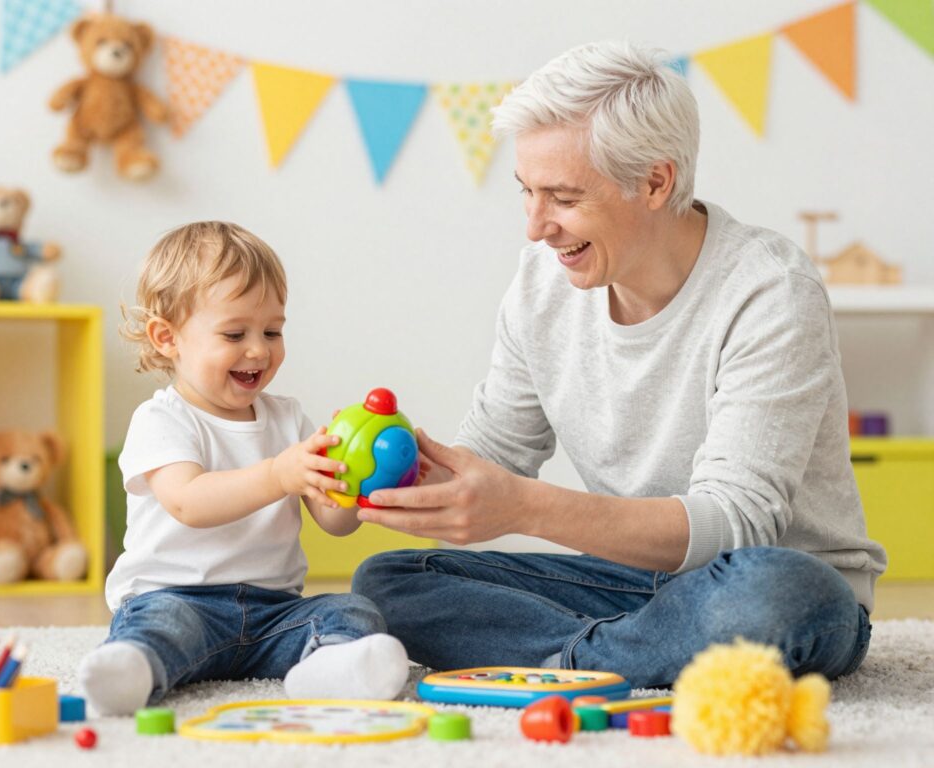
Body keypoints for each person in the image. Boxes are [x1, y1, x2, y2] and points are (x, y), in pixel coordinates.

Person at [351, 41, 887, 688]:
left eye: (563, 197)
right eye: (527, 192)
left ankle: (565, 660)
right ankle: (615, 658)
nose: (535, 227)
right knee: (386, 582)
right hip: (630, 584)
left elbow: (737, 526)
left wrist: (523, 508)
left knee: (782, 594)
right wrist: (391, 476)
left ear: (655, 182)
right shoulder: (540, 285)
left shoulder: (769, 291)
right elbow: (494, 456)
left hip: (768, 579)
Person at [79, 221, 408, 715]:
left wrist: (360, 483)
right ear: (167, 338)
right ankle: (131, 670)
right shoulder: (161, 419)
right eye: (235, 333)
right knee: (163, 626)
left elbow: (333, 524)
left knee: (351, 609)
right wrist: (279, 474)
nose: (259, 349)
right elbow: (189, 502)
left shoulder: (288, 417)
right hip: (180, 599)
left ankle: (328, 669)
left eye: (272, 331)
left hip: (274, 610)